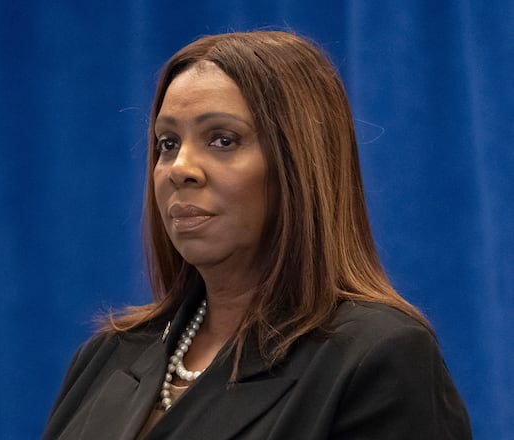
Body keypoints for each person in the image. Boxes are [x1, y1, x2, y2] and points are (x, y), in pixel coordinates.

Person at [42, 31, 472, 440]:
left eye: (223, 140)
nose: (180, 169)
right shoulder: (107, 355)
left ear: (300, 165)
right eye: (167, 143)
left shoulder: (378, 357)